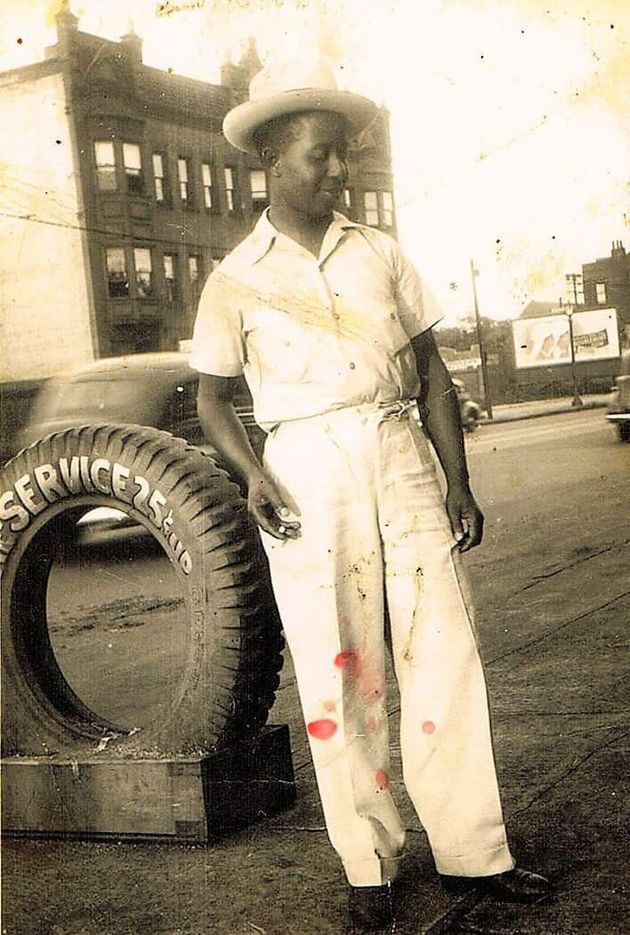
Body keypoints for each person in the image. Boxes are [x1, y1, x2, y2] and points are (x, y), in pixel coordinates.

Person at [190, 59, 553, 931]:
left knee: (443, 651)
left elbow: (430, 371)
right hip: (308, 467)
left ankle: (475, 851)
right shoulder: (235, 276)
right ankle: (369, 864)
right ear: (273, 159)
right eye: (321, 156)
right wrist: (254, 472)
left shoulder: (383, 253)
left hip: (399, 452)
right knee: (341, 665)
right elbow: (209, 395)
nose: (338, 171)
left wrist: (456, 480)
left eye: (344, 156)